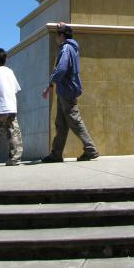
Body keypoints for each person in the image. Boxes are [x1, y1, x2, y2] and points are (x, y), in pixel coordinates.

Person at [41, 23, 99, 163]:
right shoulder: (71, 48)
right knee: (61, 124)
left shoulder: (66, 48)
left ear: (62, 36)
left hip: (66, 90)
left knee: (74, 120)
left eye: (57, 34)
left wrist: (50, 83)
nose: (56, 38)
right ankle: (56, 153)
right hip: (64, 90)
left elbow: (61, 68)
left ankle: (90, 149)